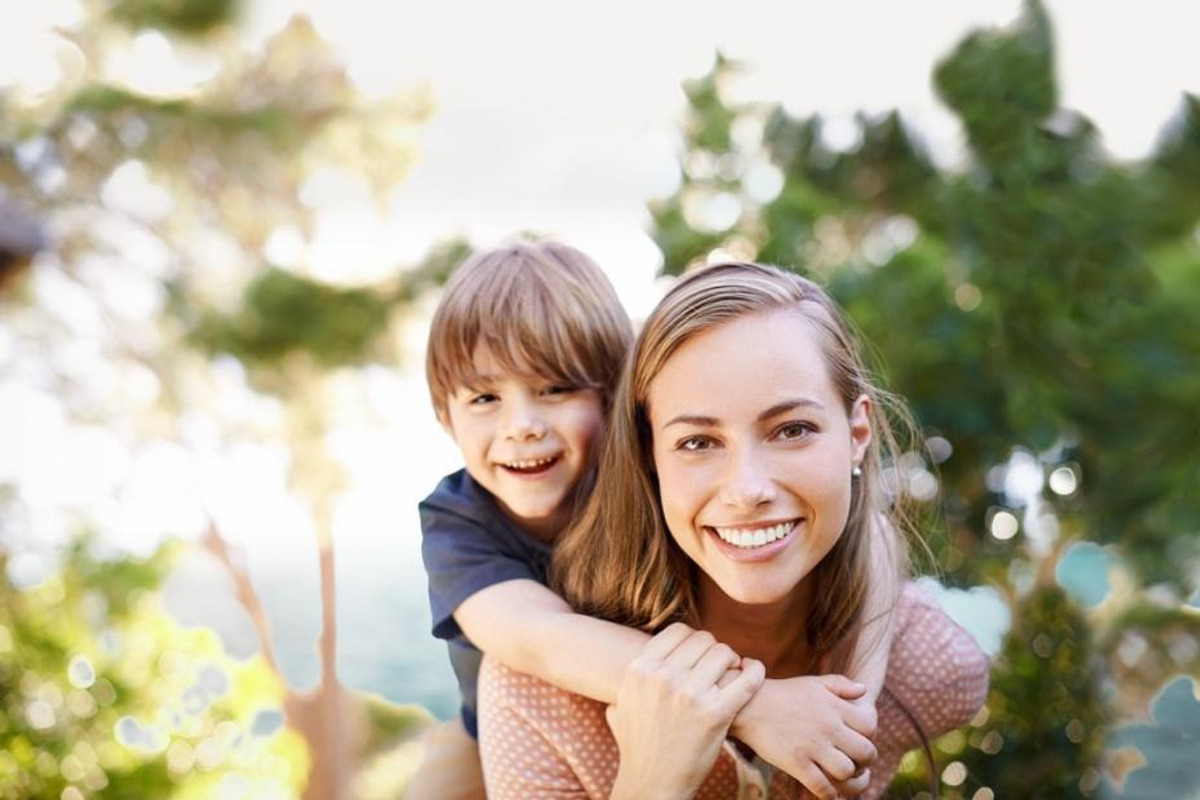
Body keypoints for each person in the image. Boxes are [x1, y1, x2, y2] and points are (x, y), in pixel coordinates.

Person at [411, 244, 954, 800]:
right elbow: (542, 641)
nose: (522, 425)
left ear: (617, 401)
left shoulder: (648, 483)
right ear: (443, 415)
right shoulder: (460, 522)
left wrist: (853, 702)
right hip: (490, 735)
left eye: (556, 389)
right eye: (484, 397)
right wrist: (754, 706)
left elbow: (877, 537)